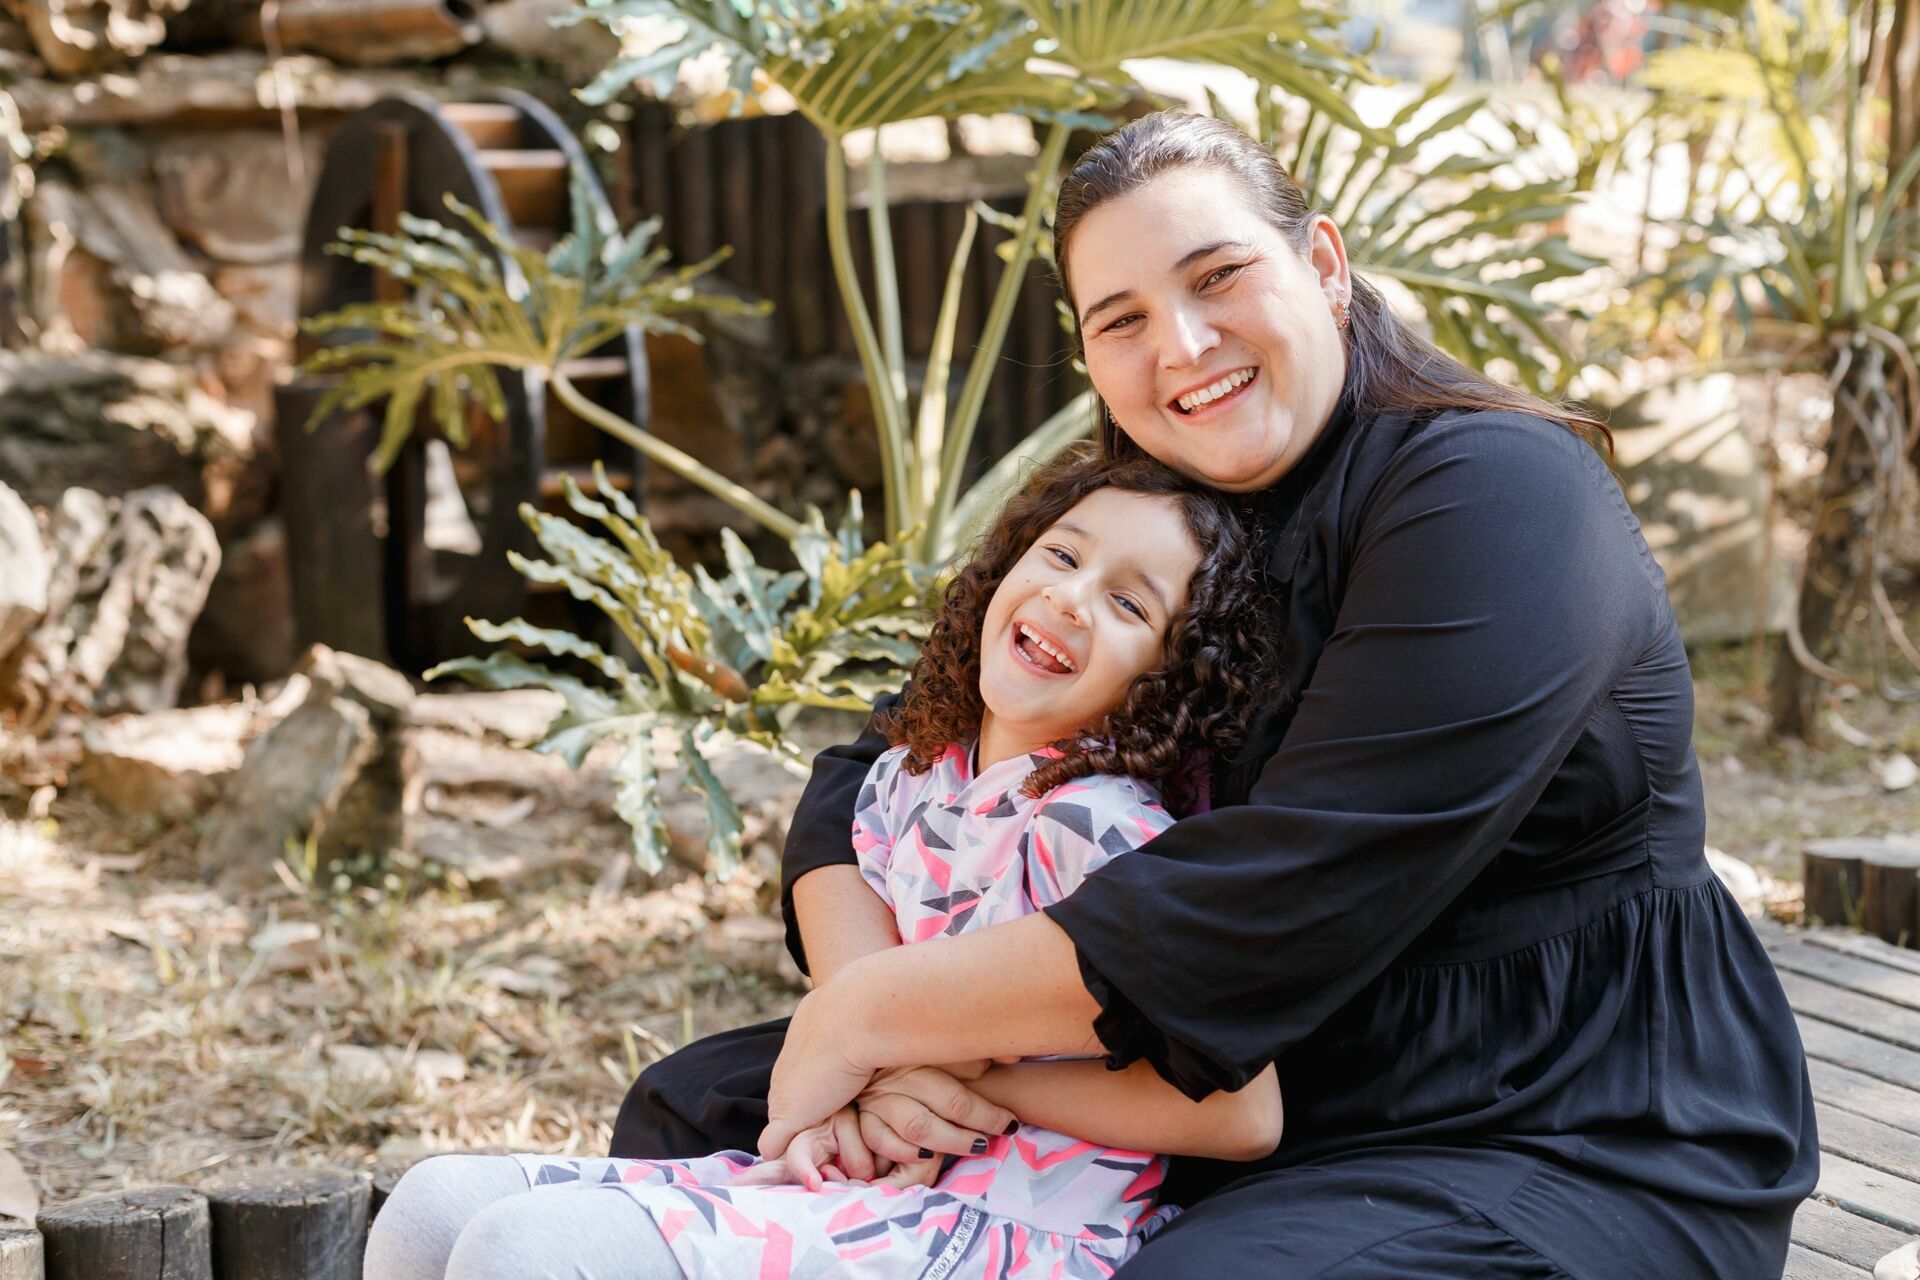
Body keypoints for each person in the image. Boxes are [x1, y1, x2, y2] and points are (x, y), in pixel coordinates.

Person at [612, 110, 1819, 1278]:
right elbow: (878, 759)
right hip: (1227, 1080)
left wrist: (877, 1027)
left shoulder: (1500, 494)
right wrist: (873, 1028)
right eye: (1121, 318)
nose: (1181, 347)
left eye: (1217, 276)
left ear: (1326, 263)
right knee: (692, 1104)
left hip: (1556, 1117)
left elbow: (1287, 885)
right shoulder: (1159, 500)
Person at [364, 449, 1284, 1280]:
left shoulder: (1108, 830)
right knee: (434, 1204)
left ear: (1169, 680)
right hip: (867, 1191)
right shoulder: (907, 782)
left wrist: (968, 1077)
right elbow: (848, 1044)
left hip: (1014, 1229)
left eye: (1130, 604)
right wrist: (869, 1087)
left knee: (521, 1250)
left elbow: (1241, 1116)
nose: (1073, 597)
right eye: (1062, 554)